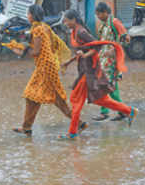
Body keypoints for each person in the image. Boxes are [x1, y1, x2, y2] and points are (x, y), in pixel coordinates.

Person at [59, 9, 138, 139]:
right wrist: (69, 62)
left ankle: (73, 132)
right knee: (101, 100)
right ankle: (130, 111)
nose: (65, 23)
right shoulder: (75, 31)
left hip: (88, 71)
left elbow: (97, 47)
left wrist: (85, 55)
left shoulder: (81, 32)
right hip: (84, 69)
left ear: (73, 20)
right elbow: (82, 50)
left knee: (76, 100)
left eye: (66, 20)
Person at [11, 5, 87, 137]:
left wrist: (20, 48)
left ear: (33, 15)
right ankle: (27, 127)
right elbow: (52, 45)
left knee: (42, 97)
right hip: (47, 66)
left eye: (28, 14)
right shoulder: (45, 27)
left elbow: (36, 51)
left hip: (45, 67)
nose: (27, 16)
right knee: (36, 97)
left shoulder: (38, 29)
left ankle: (79, 123)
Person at [93, 2, 131, 122]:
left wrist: (115, 50)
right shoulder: (104, 25)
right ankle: (113, 111)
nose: (98, 16)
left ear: (105, 12)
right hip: (104, 60)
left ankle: (121, 111)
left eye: (99, 14)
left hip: (111, 61)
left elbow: (126, 38)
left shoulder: (114, 22)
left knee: (108, 86)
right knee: (107, 86)